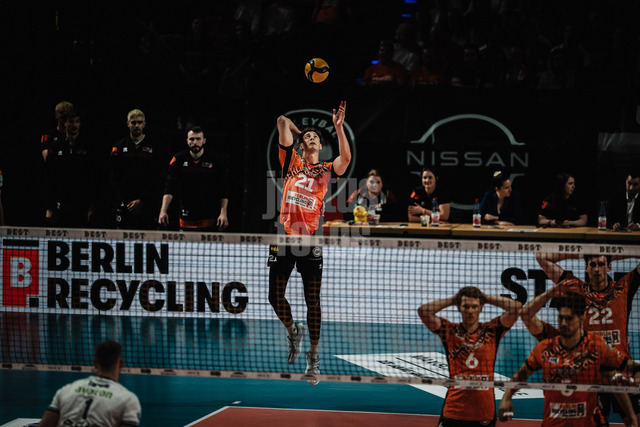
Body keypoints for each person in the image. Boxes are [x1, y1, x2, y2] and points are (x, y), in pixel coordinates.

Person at [268, 101, 351, 385]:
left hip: (310, 240)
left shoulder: (326, 169)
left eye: (316, 137)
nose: (312, 138)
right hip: (283, 237)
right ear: (301, 145)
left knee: (312, 301)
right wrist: (299, 132)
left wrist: (338, 127)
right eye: (308, 137)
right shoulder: (290, 161)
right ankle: (294, 331)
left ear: (320, 145)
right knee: (274, 297)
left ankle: (313, 357)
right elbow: (282, 119)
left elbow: (346, 159)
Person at [498, 292, 640, 426]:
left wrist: (632, 416)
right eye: (561, 318)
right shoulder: (545, 348)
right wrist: (507, 396)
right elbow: (522, 373)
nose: (564, 323)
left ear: (582, 317)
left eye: (569, 318)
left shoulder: (596, 346)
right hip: (553, 424)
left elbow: (624, 373)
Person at [536, 252, 640, 422]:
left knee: (635, 421)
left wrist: (611, 255)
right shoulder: (576, 288)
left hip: (621, 371)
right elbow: (541, 257)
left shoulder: (624, 287)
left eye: (601, 264)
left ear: (609, 267)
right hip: (592, 375)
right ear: (586, 268)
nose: (597, 269)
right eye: (592, 265)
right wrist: (583, 254)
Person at [418, 286, 522, 426]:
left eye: (474, 306)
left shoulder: (492, 330)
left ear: (480, 308)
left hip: (484, 412)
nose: (470, 311)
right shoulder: (449, 331)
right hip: (453, 411)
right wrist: (453, 299)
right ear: (459, 308)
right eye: (466, 306)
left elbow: (516, 308)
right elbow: (423, 311)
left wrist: (487, 298)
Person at [38, 340, 141, 427]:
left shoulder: (66, 390)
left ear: (95, 363)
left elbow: (45, 424)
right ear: (121, 364)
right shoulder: (128, 400)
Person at [158, 125, 229, 231]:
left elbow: (223, 189)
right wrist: (163, 211)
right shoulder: (178, 159)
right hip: (184, 217)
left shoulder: (215, 160)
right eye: (191, 139)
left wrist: (223, 213)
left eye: (198, 139)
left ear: (204, 140)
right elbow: (169, 187)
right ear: (187, 141)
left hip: (209, 217)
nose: (195, 142)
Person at [110, 109, 165, 230]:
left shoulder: (154, 146)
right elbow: (114, 176)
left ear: (144, 124)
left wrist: (142, 200)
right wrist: (126, 201)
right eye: (133, 122)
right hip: (125, 205)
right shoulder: (118, 146)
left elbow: (158, 177)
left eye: (139, 122)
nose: (136, 126)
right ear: (128, 124)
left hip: (148, 205)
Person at [44, 110, 98, 227]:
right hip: (61, 200)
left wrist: (92, 206)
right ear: (65, 123)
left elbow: (94, 177)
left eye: (77, 122)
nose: (74, 125)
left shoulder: (88, 145)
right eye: (71, 121)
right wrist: (49, 207)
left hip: (82, 201)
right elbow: (50, 177)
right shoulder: (55, 146)